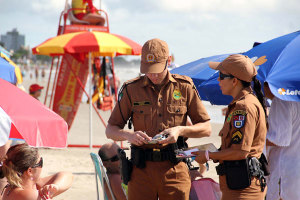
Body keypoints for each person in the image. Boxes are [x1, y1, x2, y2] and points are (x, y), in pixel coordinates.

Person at [105, 38, 211, 200]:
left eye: (157, 70)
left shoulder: (185, 87)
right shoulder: (131, 89)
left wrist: (180, 130)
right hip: (140, 171)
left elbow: (206, 128)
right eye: (148, 70)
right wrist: (129, 135)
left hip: (175, 170)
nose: (152, 75)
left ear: (168, 61)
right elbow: (110, 129)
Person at [193, 54, 268, 200]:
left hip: (242, 189)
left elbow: (240, 151)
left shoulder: (243, 107)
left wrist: (209, 155)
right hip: (238, 184)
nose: (218, 80)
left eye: (221, 76)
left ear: (234, 81)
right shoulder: (243, 103)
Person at [264, 82, 300, 200]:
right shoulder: (295, 98)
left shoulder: (281, 100)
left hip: (285, 170)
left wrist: (255, 138)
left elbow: (279, 139)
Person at [0, 143, 73, 200]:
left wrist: (56, 187)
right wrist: (51, 191)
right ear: (29, 170)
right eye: (40, 163)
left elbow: (67, 175)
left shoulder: (11, 187)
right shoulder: (27, 195)